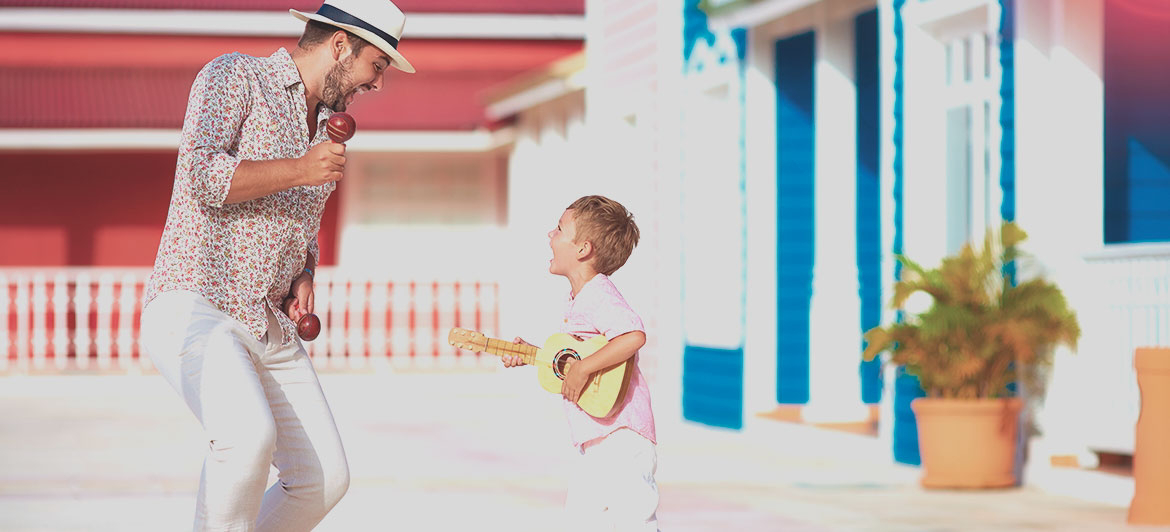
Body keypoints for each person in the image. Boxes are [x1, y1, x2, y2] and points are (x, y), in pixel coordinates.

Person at [138, 1, 414, 530]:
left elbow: (300, 231)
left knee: (324, 479)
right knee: (245, 438)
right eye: (376, 65)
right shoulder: (235, 74)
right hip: (197, 300)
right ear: (340, 45)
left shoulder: (326, 132)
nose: (377, 84)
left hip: (269, 321)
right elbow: (203, 176)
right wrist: (300, 169)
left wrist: (304, 274)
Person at [502, 195, 659, 531]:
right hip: (598, 437)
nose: (550, 235)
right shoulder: (578, 299)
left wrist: (584, 368)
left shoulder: (599, 293)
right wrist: (535, 354)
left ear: (583, 249)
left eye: (559, 229)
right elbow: (577, 355)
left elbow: (632, 336)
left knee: (633, 520)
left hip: (622, 433)